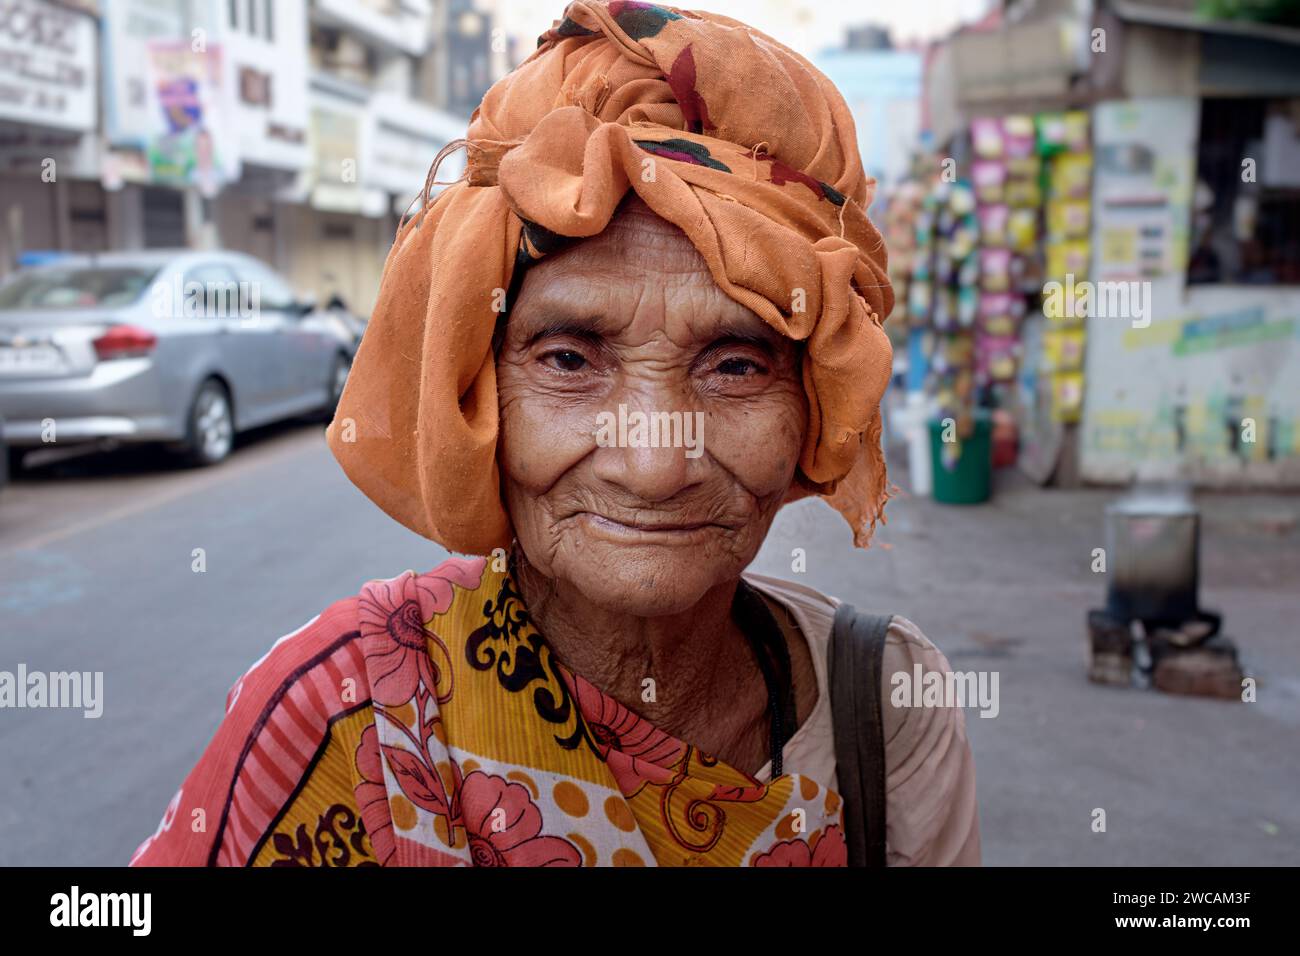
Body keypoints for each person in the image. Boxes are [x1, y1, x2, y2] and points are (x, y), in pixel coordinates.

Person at [130, 0, 979, 868]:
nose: (654, 467)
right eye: (570, 359)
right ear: (478, 395)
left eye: (735, 366)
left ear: (813, 409)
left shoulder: (884, 702)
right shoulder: (349, 715)